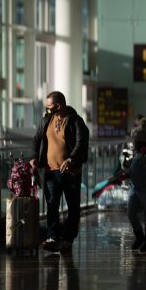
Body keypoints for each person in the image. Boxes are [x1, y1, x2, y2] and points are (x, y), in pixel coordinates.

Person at [31, 91, 89, 253]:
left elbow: (81, 142)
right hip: (50, 171)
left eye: (50, 106)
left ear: (59, 105)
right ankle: (53, 237)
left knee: (72, 206)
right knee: (51, 205)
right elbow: (36, 139)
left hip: (70, 173)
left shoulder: (76, 121)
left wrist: (71, 159)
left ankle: (68, 239)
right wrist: (34, 157)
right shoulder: (46, 120)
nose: (47, 109)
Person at [124, 127, 146, 252]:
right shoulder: (136, 151)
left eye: (134, 139)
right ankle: (139, 236)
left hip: (145, 187)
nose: (132, 142)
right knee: (131, 213)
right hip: (134, 186)